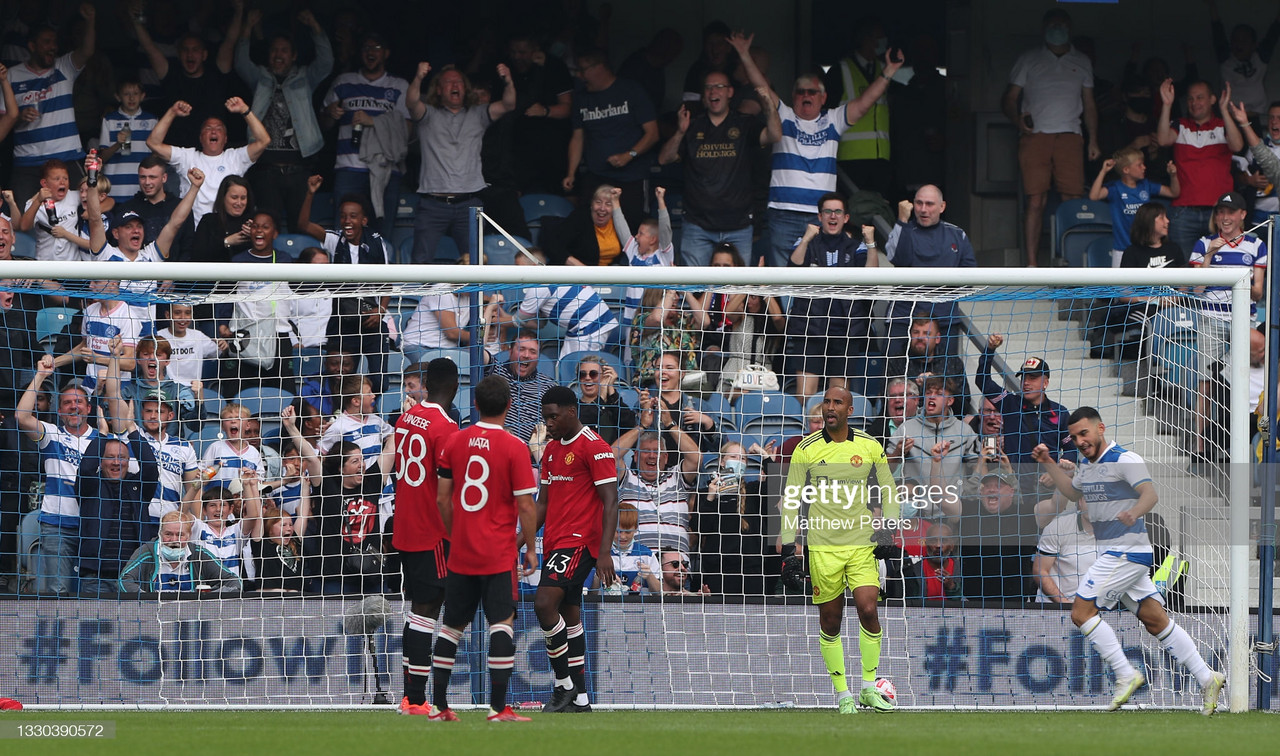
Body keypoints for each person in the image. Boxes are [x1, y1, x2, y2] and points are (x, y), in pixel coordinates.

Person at [1032, 407, 1225, 713]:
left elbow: (1150, 494)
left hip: (1126, 550)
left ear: (1101, 428)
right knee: (1155, 619)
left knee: (1081, 613)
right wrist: (1049, 463)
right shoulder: (1086, 464)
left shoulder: (1125, 459)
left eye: (1084, 433)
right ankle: (1207, 677)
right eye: (1074, 436)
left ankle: (1125, 673)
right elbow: (1071, 493)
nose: (1080, 441)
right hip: (1118, 552)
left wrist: (1134, 512)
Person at [780, 386, 899, 713]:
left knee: (868, 609)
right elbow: (792, 499)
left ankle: (866, 687)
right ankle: (843, 694)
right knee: (831, 621)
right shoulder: (805, 449)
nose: (830, 408)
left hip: (861, 545)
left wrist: (888, 529)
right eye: (827, 402)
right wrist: (792, 548)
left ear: (849, 410)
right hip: (823, 547)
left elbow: (888, 491)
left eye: (837, 403)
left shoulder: (870, 446)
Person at [430, 375, 539, 722]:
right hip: (498, 552)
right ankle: (497, 708)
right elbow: (526, 505)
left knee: (451, 627)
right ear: (509, 405)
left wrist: (455, 532)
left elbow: (442, 498)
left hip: (461, 551)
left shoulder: (455, 442)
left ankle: (439, 706)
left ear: (475, 404)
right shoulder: (515, 447)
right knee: (502, 624)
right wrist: (532, 548)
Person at [766, 50, 903, 269]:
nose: (806, 95)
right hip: (784, 212)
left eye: (812, 91)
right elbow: (763, 89)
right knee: (781, 278)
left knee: (819, 277)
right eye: (801, 92)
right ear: (793, 96)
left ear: (823, 97)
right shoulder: (785, 115)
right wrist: (743, 54)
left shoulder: (833, 119)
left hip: (820, 215)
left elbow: (865, 102)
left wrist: (889, 70)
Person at [658, 32, 780, 266]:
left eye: (719, 87)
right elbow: (665, 158)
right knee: (696, 288)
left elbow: (775, 135)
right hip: (698, 225)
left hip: (738, 225)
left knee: (737, 293)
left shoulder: (744, 124)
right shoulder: (692, 127)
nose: (714, 92)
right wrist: (680, 131)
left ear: (730, 92)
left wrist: (768, 107)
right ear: (704, 95)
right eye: (709, 88)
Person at [536, 385, 618, 713]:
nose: (549, 424)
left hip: (580, 541)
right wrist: (519, 539)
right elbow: (542, 502)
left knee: (543, 604)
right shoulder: (552, 450)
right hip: (555, 541)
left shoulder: (594, 447)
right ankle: (581, 699)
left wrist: (604, 551)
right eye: (545, 418)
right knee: (570, 615)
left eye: (554, 417)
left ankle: (563, 684)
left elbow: (611, 501)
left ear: (572, 411)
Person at [1002, 8, 1099, 267]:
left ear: (1070, 28)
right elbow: (1009, 99)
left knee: (1073, 200)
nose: (1058, 28)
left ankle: (1075, 262)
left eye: (1062, 24)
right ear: (1044, 28)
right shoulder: (1029, 59)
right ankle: (1032, 264)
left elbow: (1089, 104)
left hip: (1071, 135)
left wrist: (1093, 140)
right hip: (1036, 136)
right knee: (1035, 199)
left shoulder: (1082, 61)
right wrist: (1017, 120)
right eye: (1053, 24)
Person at [390, 358, 459, 715]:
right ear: (455, 386)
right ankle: (415, 699)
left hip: (405, 526)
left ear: (427, 385)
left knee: (418, 612)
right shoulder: (446, 428)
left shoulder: (406, 417)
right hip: (432, 531)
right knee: (427, 612)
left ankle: (410, 696)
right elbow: (450, 489)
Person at [1187, 191, 1267, 472]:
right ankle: (1200, 447)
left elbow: (1257, 292)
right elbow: (1196, 288)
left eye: (1230, 212)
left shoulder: (1257, 245)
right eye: (1221, 212)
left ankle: (1244, 441)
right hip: (1210, 319)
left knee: (1247, 380)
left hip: (1244, 321)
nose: (1224, 217)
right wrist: (1210, 255)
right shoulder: (1204, 243)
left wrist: (1237, 282)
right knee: (1206, 383)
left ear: (1242, 215)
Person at [233, 9, 333, 231]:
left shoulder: (305, 77)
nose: (279, 55)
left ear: (294, 55)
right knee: (269, 228)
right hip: (267, 170)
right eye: (275, 50)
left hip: (299, 169)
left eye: (285, 51)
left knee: (301, 225)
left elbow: (326, 62)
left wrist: (315, 26)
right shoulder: (260, 76)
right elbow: (240, 62)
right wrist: (247, 28)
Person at [407, 61, 515, 264]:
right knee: (421, 262)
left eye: (459, 82)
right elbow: (412, 102)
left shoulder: (479, 114)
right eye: (448, 82)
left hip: (469, 203)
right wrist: (418, 77)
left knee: (475, 263)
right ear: (439, 90)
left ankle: (475, 298)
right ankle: (423, 297)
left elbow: (509, 104)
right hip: (433, 203)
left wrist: (508, 80)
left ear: (465, 88)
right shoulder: (428, 114)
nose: (454, 85)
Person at [14, 355, 98, 594]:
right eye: (68, 403)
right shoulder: (51, 434)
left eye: (79, 402)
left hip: (92, 525)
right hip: (56, 525)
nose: (74, 406)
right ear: (60, 410)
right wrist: (40, 376)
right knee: (57, 592)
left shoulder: (103, 441)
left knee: (91, 592)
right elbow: (21, 417)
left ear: (88, 408)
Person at [786, 192, 879, 402]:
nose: (833, 216)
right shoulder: (808, 242)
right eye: (827, 211)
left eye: (838, 212)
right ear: (820, 217)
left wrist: (871, 242)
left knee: (837, 400)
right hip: (810, 329)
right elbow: (792, 269)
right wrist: (807, 237)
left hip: (844, 331)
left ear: (846, 218)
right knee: (805, 397)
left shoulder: (856, 246)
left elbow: (872, 276)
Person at [322, 31, 410, 231]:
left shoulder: (398, 85)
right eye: (366, 48)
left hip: (385, 167)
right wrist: (330, 113)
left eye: (376, 48)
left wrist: (373, 121)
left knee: (381, 232)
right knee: (343, 232)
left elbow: (407, 130)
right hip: (349, 167)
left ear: (386, 53)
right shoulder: (344, 81)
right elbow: (324, 125)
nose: (371, 52)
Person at [7, 4, 95, 201]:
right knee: (22, 216)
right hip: (28, 161)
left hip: (66, 157)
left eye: (54, 42)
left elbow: (87, 50)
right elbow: (3, 118)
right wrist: (19, 116)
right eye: (46, 42)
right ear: (32, 46)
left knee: (81, 208)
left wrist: (90, 21)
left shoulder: (63, 67)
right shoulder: (12, 75)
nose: (53, 47)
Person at [563, 48, 658, 226]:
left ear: (599, 67)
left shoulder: (631, 90)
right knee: (589, 229)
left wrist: (630, 155)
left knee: (633, 230)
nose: (579, 76)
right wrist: (571, 172)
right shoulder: (581, 98)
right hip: (596, 176)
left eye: (583, 70)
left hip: (632, 178)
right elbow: (577, 137)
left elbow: (653, 133)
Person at [146, 96, 269, 226]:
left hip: (228, 228)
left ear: (226, 138)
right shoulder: (187, 156)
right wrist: (172, 112)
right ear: (200, 137)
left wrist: (244, 110)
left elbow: (264, 141)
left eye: (219, 128)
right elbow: (153, 143)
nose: (214, 131)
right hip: (193, 229)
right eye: (208, 128)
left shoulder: (236, 157)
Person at [882, 185, 976, 349]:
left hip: (944, 319)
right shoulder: (904, 229)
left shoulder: (956, 234)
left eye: (929, 204)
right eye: (919, 203)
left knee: (945, 374)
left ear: (942, 206)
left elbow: (969, 279)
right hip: (903, 317)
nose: (923, 209)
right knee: (893, 373)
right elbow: (897, 258)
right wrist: (902, 220)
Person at [1156, 78, 1243, 256]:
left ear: (1212, 99)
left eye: (1200, 97)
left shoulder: (1222, 126)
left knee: (1222, 267)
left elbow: (1237, 146)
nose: (1194, 103)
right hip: (1184, 212)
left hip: (1219, 212)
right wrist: (1166, 105)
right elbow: (1163, 140)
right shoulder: (1180, 125)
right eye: (1190, 99)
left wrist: (1224, 111)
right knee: (1185, 272)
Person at [75, 435, 158, 596]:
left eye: (122, 457)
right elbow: (85, 469)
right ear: (100, 460)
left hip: (134, 577)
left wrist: (133, 432)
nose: (116, 462)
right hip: (97, 579)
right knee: (96, 622)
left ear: (128, 461)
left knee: (136, 622)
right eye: (109, 457)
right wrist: (102, 435)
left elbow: (150, 467)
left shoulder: (138, 487)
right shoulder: (90, 486)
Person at [975, 336, 1071, 472]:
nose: (1026, 382)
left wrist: (1058, 472)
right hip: (1015, 486)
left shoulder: (1060, 412)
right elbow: (983, 381)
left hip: (1048, 484)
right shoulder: (1010, 404)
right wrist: (989, 350)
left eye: (1032, 378)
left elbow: (1071, 449)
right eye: (1024, 377)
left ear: (1045, 383)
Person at [613, 412, 701, 556]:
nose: (652, 456)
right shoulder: (626, 479)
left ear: (666, 458)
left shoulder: (676, 477)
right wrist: (642, 426)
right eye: (646, 451)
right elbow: (611, 455)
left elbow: (696, 458)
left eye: (657, 451)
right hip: (638, 564)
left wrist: (670, 424)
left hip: (676, 566)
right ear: (635, 456)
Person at [828, 17, 894, 198]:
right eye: (879, 38)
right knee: (855, 214)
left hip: (881, 159)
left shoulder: (886, 69)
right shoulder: (840, 70)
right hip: (850, 159)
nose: (883, 43)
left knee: (878, 213)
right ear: (866, 39)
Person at [696, 441, 770, 596]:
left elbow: (780, 484)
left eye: (743, 458)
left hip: (751, 574)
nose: (738, 461)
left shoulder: (754, 491)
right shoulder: (705, 493)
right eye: (733, 456)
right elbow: (700, 529)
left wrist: (764, 455)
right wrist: (710, 498)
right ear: (722, 462)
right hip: (718, 573)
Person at [1088, 148, 1179, 264]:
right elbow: (1094, 196)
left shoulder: (1146, 185)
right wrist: (1103, 171)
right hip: (1122, 248)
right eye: (1139, 165)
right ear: (1126, 169)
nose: (1144, 167)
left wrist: (1173, 176)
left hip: (1145, 248)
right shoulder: (1115, 188)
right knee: (1121, 282)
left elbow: (1173, 193)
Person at [118, 510, 242, 593]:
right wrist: (148, 601)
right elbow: (123, 581)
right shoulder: (146, 552)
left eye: (180, 535)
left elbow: (234, 581)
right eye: (168, 534)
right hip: (154, 619)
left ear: (189, 535)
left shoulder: (199, 554)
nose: (173, 540)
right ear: (160, 534)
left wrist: (209, 597)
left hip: (190, 620)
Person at [883, 316, 973, 418]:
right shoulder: (897, 361)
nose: (920, 337)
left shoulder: (953, 362)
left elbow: (964, 407)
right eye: (916, 332)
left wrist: (938, 382)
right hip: (907, 422)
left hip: (945, 423)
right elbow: (887, 402)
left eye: (926, 333)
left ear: (937, 338)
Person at [1207, 1, 1280, 118]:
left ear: (1254, 45)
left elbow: (1273, 35)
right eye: (1236, 40)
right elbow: (1218, 33)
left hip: (1254, 116)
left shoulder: (1260, 59)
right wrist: (1212, 6)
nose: (1239, 45)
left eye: (1244, 41)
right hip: (1230, 117)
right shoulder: (1226, 61)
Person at [485, 331, 557, 445]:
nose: (526, 355)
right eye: (521, 349)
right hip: (495, 445)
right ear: (510, 351)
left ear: (538, 357)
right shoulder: (495, 370)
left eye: (532, 351)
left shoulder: (549, 386)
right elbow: (477, 351)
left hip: (533, 454)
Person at [116, 155, 196, 253]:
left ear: (164, 178)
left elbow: (188, 247)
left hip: (174, 267)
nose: (147, 182)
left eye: (152, 177)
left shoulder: (179, 207)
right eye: (143, 177)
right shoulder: (127, 209)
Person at [98, 79, 157, 201]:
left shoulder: (152, 121)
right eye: (126, 94)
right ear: (118, 97)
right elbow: (102, 158)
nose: (131, 98)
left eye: (135, 94)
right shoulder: (109, 120)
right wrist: (118, 144)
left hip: (143, 188)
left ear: (142, 96)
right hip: (115, 188)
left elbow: (156, 156)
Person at [17, 159, 81, 262]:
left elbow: (108, 201)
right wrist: (38, 201)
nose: (62, 182)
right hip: (45, 266)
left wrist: (88, 213)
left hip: (72, 265)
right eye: (57, 179)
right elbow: (24, 227)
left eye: (66, 178)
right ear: (44, 183)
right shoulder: (34, 203)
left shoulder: (73, 196)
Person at [1035, 504, 1097, 604]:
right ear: (1080, 501)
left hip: (1096, 610)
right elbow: (1040, 570)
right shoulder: (1058, 526)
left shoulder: (1118, 532)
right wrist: (1065, 604)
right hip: (1055, 609)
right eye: (1089, 498)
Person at [593, 503, 662, 593]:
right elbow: (589, 594)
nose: (623, 536)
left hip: (639, 606)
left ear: (636, 529)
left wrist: (649, 576)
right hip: (605, 606)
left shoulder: (646, 554)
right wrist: (599, 576)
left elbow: (659, 594)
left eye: (628, 532)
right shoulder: (600, 553)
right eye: (618, 531)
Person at [158, 303, 227, 388]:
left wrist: (223, 345)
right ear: (167, 315)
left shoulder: (198, 336)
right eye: (177, 313)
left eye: (187, 313)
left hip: (193, 389)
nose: (183, 318)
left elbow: (220, 352)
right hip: (166, 389)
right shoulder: (159, 337)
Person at [573, 355, 635, 444]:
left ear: (604, 376)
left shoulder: (614, 404)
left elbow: (629, 425)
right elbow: (584, 422)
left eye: (593, 374)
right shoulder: (572, 407)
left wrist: (611, 389)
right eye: (582, 374)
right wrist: (601, 398)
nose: (587, 378)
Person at [255, 505, 305, 593]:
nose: (289, 528)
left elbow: (303, 517)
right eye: (283, 525)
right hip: (271, 596)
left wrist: (305, 491)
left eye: (291, 524)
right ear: (269, 528)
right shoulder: (263, 544)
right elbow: (257, 516)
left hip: (293, 598)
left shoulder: (294, 542)